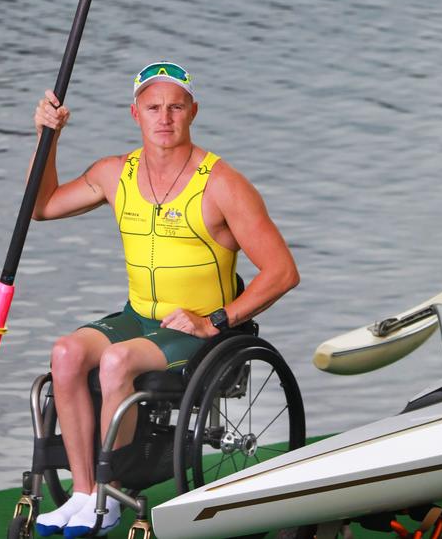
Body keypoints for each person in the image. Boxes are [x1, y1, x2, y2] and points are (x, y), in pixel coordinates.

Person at [33, 61, 300, 538]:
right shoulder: (114, 174)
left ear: (192, 111)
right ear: (134, 113)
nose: (165, 118)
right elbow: (43, 206)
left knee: (115, 363)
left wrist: (216, 320)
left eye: (176, 107)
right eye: (153, 107)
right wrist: (47, 137)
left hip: (197, 329)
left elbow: (281, 272)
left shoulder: (222, 185)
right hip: (139, 317)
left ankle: (110, 493)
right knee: (66, 352)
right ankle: (83, 493)